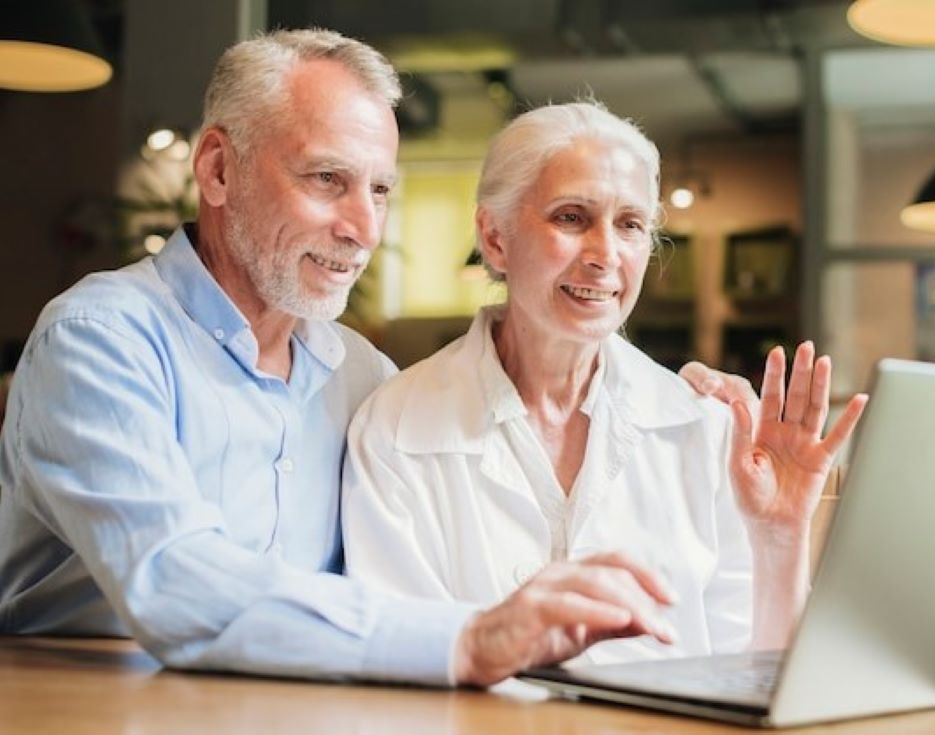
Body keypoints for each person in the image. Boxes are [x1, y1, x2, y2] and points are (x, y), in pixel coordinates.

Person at [0, 31, 743, 687]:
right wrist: (472, 637)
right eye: (328, 179)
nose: (362, 228)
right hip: (89, 699)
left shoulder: (363, 379)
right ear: (219, 170)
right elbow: (170, 580)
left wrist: (674, 407)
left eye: (380, 190)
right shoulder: (99, 339)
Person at [342, 102, 867, 665]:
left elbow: (759, 676)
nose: (606, 256)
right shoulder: (395, 427)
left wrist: (780, 536)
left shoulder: (706, 427)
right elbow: (401, 664)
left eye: (630, 225)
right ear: (495, 238)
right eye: (571, 217)